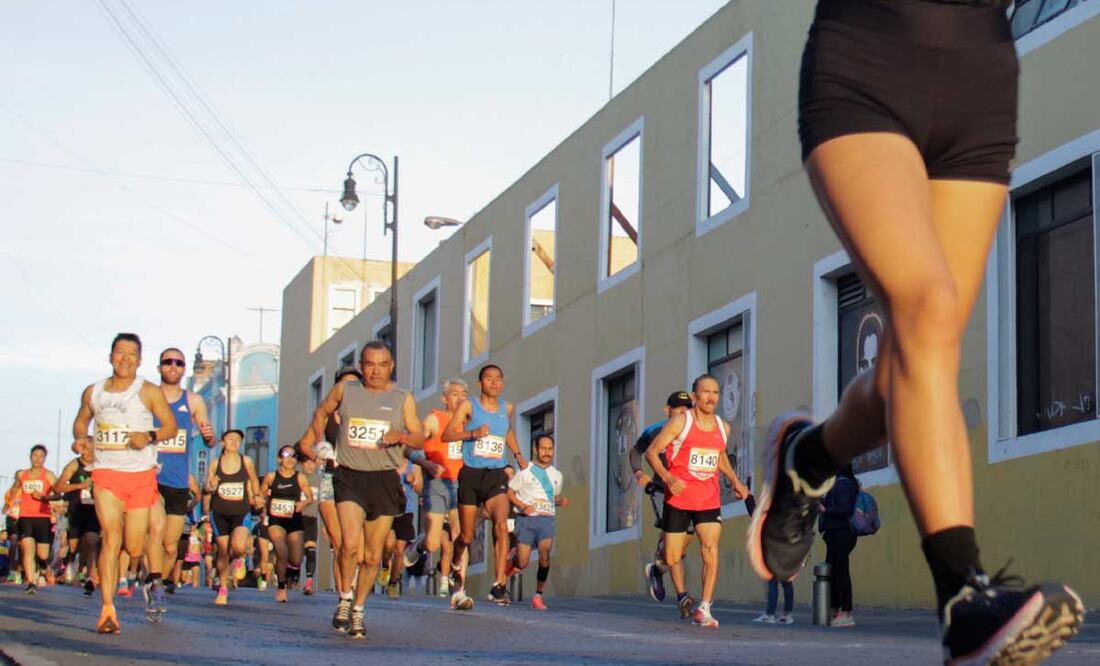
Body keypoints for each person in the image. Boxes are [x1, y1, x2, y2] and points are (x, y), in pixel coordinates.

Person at [747, 0, 1084, 661]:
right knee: (926, 309)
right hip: (865, 64)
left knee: (921, 354)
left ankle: (808, 457)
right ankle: (964, 595)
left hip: (982, 80)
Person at [298, 341, 425, 640]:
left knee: (372, 555)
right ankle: (344, 600)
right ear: (362, 365)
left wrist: (402, 436)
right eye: (369, 364)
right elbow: (321, 412)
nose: (375, 370)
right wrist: (321, 443)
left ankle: (359, 609)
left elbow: (420, 438)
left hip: (383, 480)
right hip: (349, 477)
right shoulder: (346, 391)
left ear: (391, 366)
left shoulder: (402, 398)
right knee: (350, 545)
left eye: (382, 364)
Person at [72, 332, 178, 632]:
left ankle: (146, 579)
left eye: (132, 353)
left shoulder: (148, 392)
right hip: (106, 473)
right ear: (110, 356)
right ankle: (107, 609)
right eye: (120, 352)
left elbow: (170, 426)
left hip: (141, 476)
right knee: (110, 534)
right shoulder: (94, 392)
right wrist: (81, 438)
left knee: (134, 547)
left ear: (140, 360)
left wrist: (150, 436)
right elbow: (82, 420)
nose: (125, 358)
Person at [647, 374, 748, 628]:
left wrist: (736, 482)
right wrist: (668, 478)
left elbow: (720, 455)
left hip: (708, 499)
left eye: (715, 392)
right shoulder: (680, 423)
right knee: (672, 557)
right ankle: (682, 596)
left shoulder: (723, 428)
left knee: (711, 549)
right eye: (706, 392)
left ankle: (705, 608)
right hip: (678, 499)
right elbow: (651, 453)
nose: (711, 397)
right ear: (694, 396)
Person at [442, 364, 529, 609]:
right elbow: (447, 435)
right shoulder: (468, 406)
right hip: (471, 474)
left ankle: (498, 584)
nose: (494, 383)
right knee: (467, 535)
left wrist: (518, 454)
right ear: (480, 384)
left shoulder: (506, 408)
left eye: (498, 379)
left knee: (502, 526)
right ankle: (455, 563)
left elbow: (506, 431)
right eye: (489, 379)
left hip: (496, 475)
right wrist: (473, 434)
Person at [148, 347, 215, 599]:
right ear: (159, 367)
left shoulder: (194, 401)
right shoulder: (149, 398)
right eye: (167, 362)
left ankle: (157, 581)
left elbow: (209, 437)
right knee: (154, 531)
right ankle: (152, 580)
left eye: (178, 363)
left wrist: (209, 438)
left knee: (170, 544)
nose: (173, 366)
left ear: (184, 368)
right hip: (151, 477)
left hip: (177, 480)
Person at [403, 378, 468, 599]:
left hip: (462, 485)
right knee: (433, 543)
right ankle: (418, 546)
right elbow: (410, 447)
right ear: (444, 398)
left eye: (463, 395)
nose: (460, 399)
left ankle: (458, 588)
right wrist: (425, 466)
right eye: (455, 394)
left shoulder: (470, 423)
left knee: (462, 535)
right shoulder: (434, 420)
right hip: (437, 484)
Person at [630, 391, 694, 603]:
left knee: (682, 544)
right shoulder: (654, 430)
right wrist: (639, 472)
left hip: (691, 492)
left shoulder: (696, 429)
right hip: (661, 489)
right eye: (679, 408)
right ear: (668, 410)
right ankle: (682, 595)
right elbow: (635, 452)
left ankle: (658, 569)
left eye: (688, 408)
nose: (684, 412)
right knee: (672, 537)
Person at [308, 366, 364, 598]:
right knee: (340, 543)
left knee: (358, 551)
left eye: (355, 385)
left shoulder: (368, 413)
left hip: (362, 479)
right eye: (345, 384)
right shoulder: (326, 415)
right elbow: (306, 444)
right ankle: (345, 596)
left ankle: (351, 588)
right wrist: (318, 453)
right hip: (331, 479)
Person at [504, 435, 567, 610]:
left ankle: (538, 595)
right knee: (522, 562)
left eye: (550, 449)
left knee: (544, 554)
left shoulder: (557, 475)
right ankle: (512, 560)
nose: (547, 453)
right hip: (526, 520)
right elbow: (510, 492)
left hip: (546, 520)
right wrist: (523, 506)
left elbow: (552, 497)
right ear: (536, 449)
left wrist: (560, 501)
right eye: (543, 449)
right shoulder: (525, 472)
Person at [206, 428, 263, 605]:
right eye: (230, 439)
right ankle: (223, 588)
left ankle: (239, 557)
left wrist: (258, 496)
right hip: (220, 512)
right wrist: (210, 487)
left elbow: (253, 479)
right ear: (223, 443)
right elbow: (208, 486)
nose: (234, 442)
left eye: (238, 439)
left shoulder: (246, 461)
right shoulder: (215, 463)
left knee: (238, 546)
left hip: (241, 510)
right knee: (223, 551)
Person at [261, 445, 313, 603]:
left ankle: (289, 572)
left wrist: (303, 504)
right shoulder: (271, 477)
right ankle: (281, 586)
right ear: (279, 459)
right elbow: (261, 495)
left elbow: (310, 497)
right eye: (286, 455)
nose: (290, 459)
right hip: (276, 519)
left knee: (296, 559)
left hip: (294, 519)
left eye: (293, 456)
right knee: (281, 551)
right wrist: (263, 505)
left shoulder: (300, 477)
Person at [7, 445, 58, 594]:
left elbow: (59, 494)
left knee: (43, 554)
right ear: (30, 457)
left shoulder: (48, 475)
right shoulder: (22, 474)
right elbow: (14, 489)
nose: (37, 459)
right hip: (25, 516)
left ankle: (43, 564)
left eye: (40, 456)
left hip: (43, 517)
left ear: (44, 458)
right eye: (35, 455)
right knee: (27, 548)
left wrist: (44, 497)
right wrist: (13, 498)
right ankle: (31, 583)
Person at [55, 444, 101, 596]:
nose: (90, 451)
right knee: (73, 547)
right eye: (87, 448)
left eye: (92, 448)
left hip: (94, 512)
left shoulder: (101, 465)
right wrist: (80, 485)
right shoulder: (74, 465)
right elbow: (58, 487)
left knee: (92, 542)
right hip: (76, 512)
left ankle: (90, 578)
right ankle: (68, 568)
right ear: (81, 449)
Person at [819, 465, 859, 627]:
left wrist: (825, 509)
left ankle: (847, 612)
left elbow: (845, 509)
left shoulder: (842, 484)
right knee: (833, 572)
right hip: (835, 534)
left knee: (841, 572)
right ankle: (835, 609)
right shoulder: (841, 483)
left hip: (841, 534)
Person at [383, 459, 421, 598]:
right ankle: (385, 565)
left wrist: (414, 481)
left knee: (400, 550)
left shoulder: (413, 464)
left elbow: (420, 489)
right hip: (388, 510)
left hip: (406, 510)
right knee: (388, 545)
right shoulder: (387, 460)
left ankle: (393, 583)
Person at [299, 457, 321, 595]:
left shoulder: (320, 481)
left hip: (311, 518)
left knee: (311, 549)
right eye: (306, 462)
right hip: (296, 518)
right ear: (301, 464)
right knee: (296, 553)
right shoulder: (297, 478)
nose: (309, 465)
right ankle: (291, 580)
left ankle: (308, 582)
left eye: (312, 462)